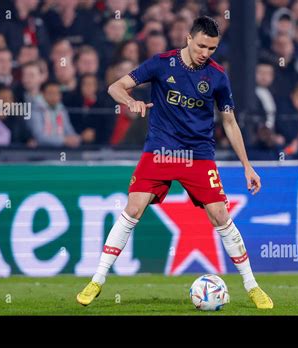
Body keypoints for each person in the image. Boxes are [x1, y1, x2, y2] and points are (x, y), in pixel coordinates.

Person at [77, 16, 273, 309]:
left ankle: (252, 286)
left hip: (198, 154)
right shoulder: (161, 63)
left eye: (212, 48)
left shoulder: (218, 77)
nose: (206, 53)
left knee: (220, 214)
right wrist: (130, 102)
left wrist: (247, 165)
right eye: (202, 46)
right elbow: (115, 87)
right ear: (188, 39)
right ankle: (97, 280)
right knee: (133, 208)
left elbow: (230, 122)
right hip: (160, 150)